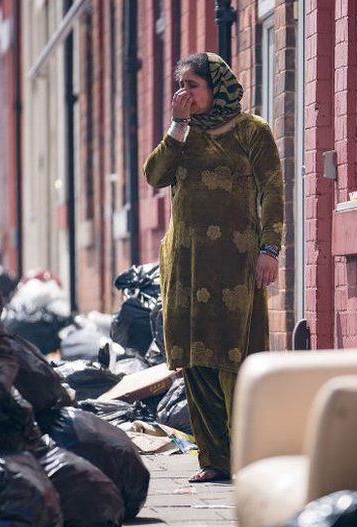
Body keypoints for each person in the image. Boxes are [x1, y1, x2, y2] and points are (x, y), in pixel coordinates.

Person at [142, 52, 284, 483]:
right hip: (187, 264)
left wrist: (270, 249)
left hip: (236, 264)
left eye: (192, 85)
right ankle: (214, 461)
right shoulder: (183, 137)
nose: (184, 93)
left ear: (216, 86)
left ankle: (247, 454)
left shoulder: (251, 133)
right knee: (196, 361)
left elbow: (273, 191)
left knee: (234, 358)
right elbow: (154, 176)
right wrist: (176, 127)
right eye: (180, 85)